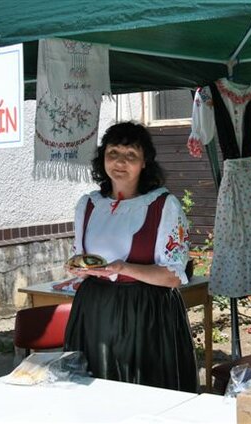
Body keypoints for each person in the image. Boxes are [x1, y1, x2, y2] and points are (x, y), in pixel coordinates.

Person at [63, 122, 198, 393]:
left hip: (146, 315)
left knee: (144, 392)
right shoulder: (88, 205)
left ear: (144, 162)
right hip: (95, 311)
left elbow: (173, 276)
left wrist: (125, 268)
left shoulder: (163, 206)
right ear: (103, 159)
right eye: (113, 153)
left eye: (130, 156)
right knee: (96, 390)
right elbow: (81, 258)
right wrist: (77, 269)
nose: (120, 162)